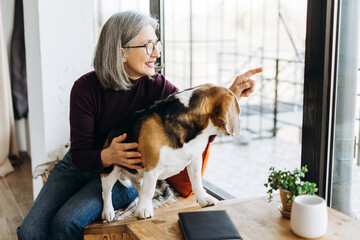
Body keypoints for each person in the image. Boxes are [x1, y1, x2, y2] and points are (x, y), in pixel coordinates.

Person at [17, 11, 262, 240]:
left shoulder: (158, 86)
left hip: (129, 172)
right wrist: (108, 154)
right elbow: (79, 154)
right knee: (29, 231)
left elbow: (195, 121)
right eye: (148, 46)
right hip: (80, 165)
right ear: (120, 51)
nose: (156, 53)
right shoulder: (84, 89)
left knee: (65, 222)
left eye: (157, 44)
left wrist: (230, 96)